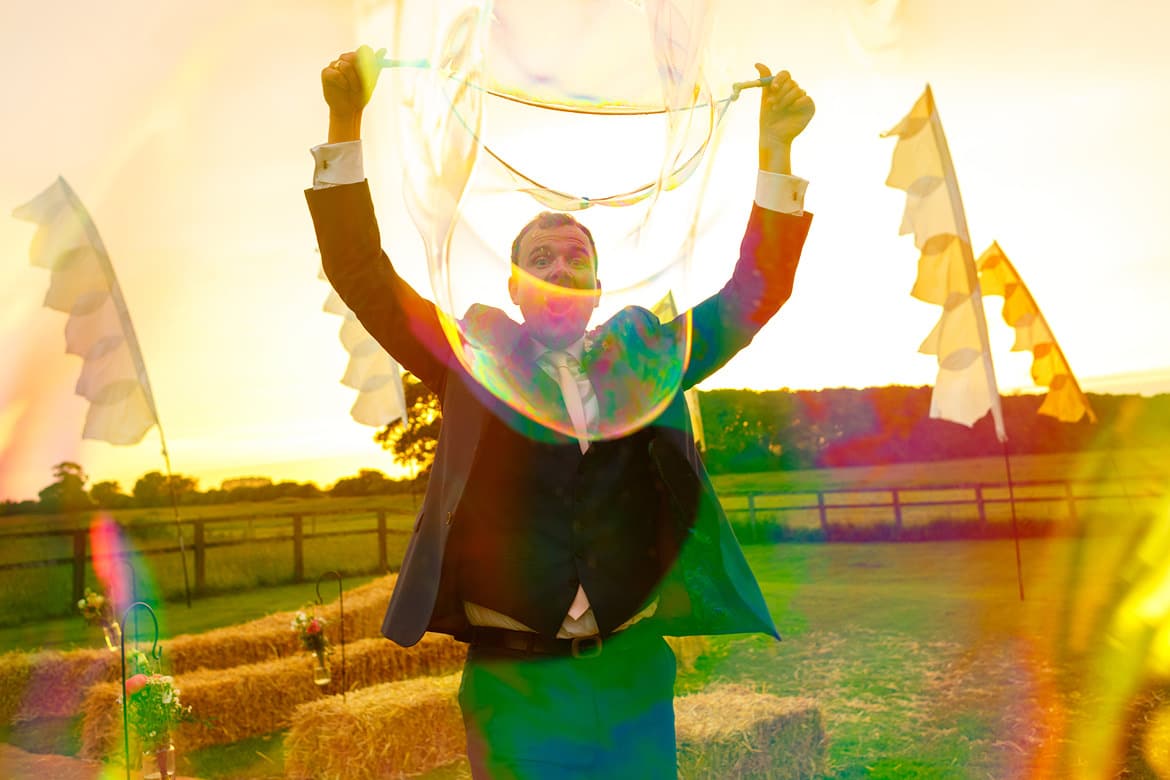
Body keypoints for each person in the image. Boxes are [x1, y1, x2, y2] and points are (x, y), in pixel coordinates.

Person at [307, 44, 815, 779]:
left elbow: (757, 290)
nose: (559, 267)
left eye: (575, 257)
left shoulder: (646, 355)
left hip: (635, 673)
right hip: (516, 688)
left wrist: (776, 146)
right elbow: (360, 269)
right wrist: (345, 115)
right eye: (539, 259)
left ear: (598, 288)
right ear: (515, 289)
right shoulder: (470, 358)